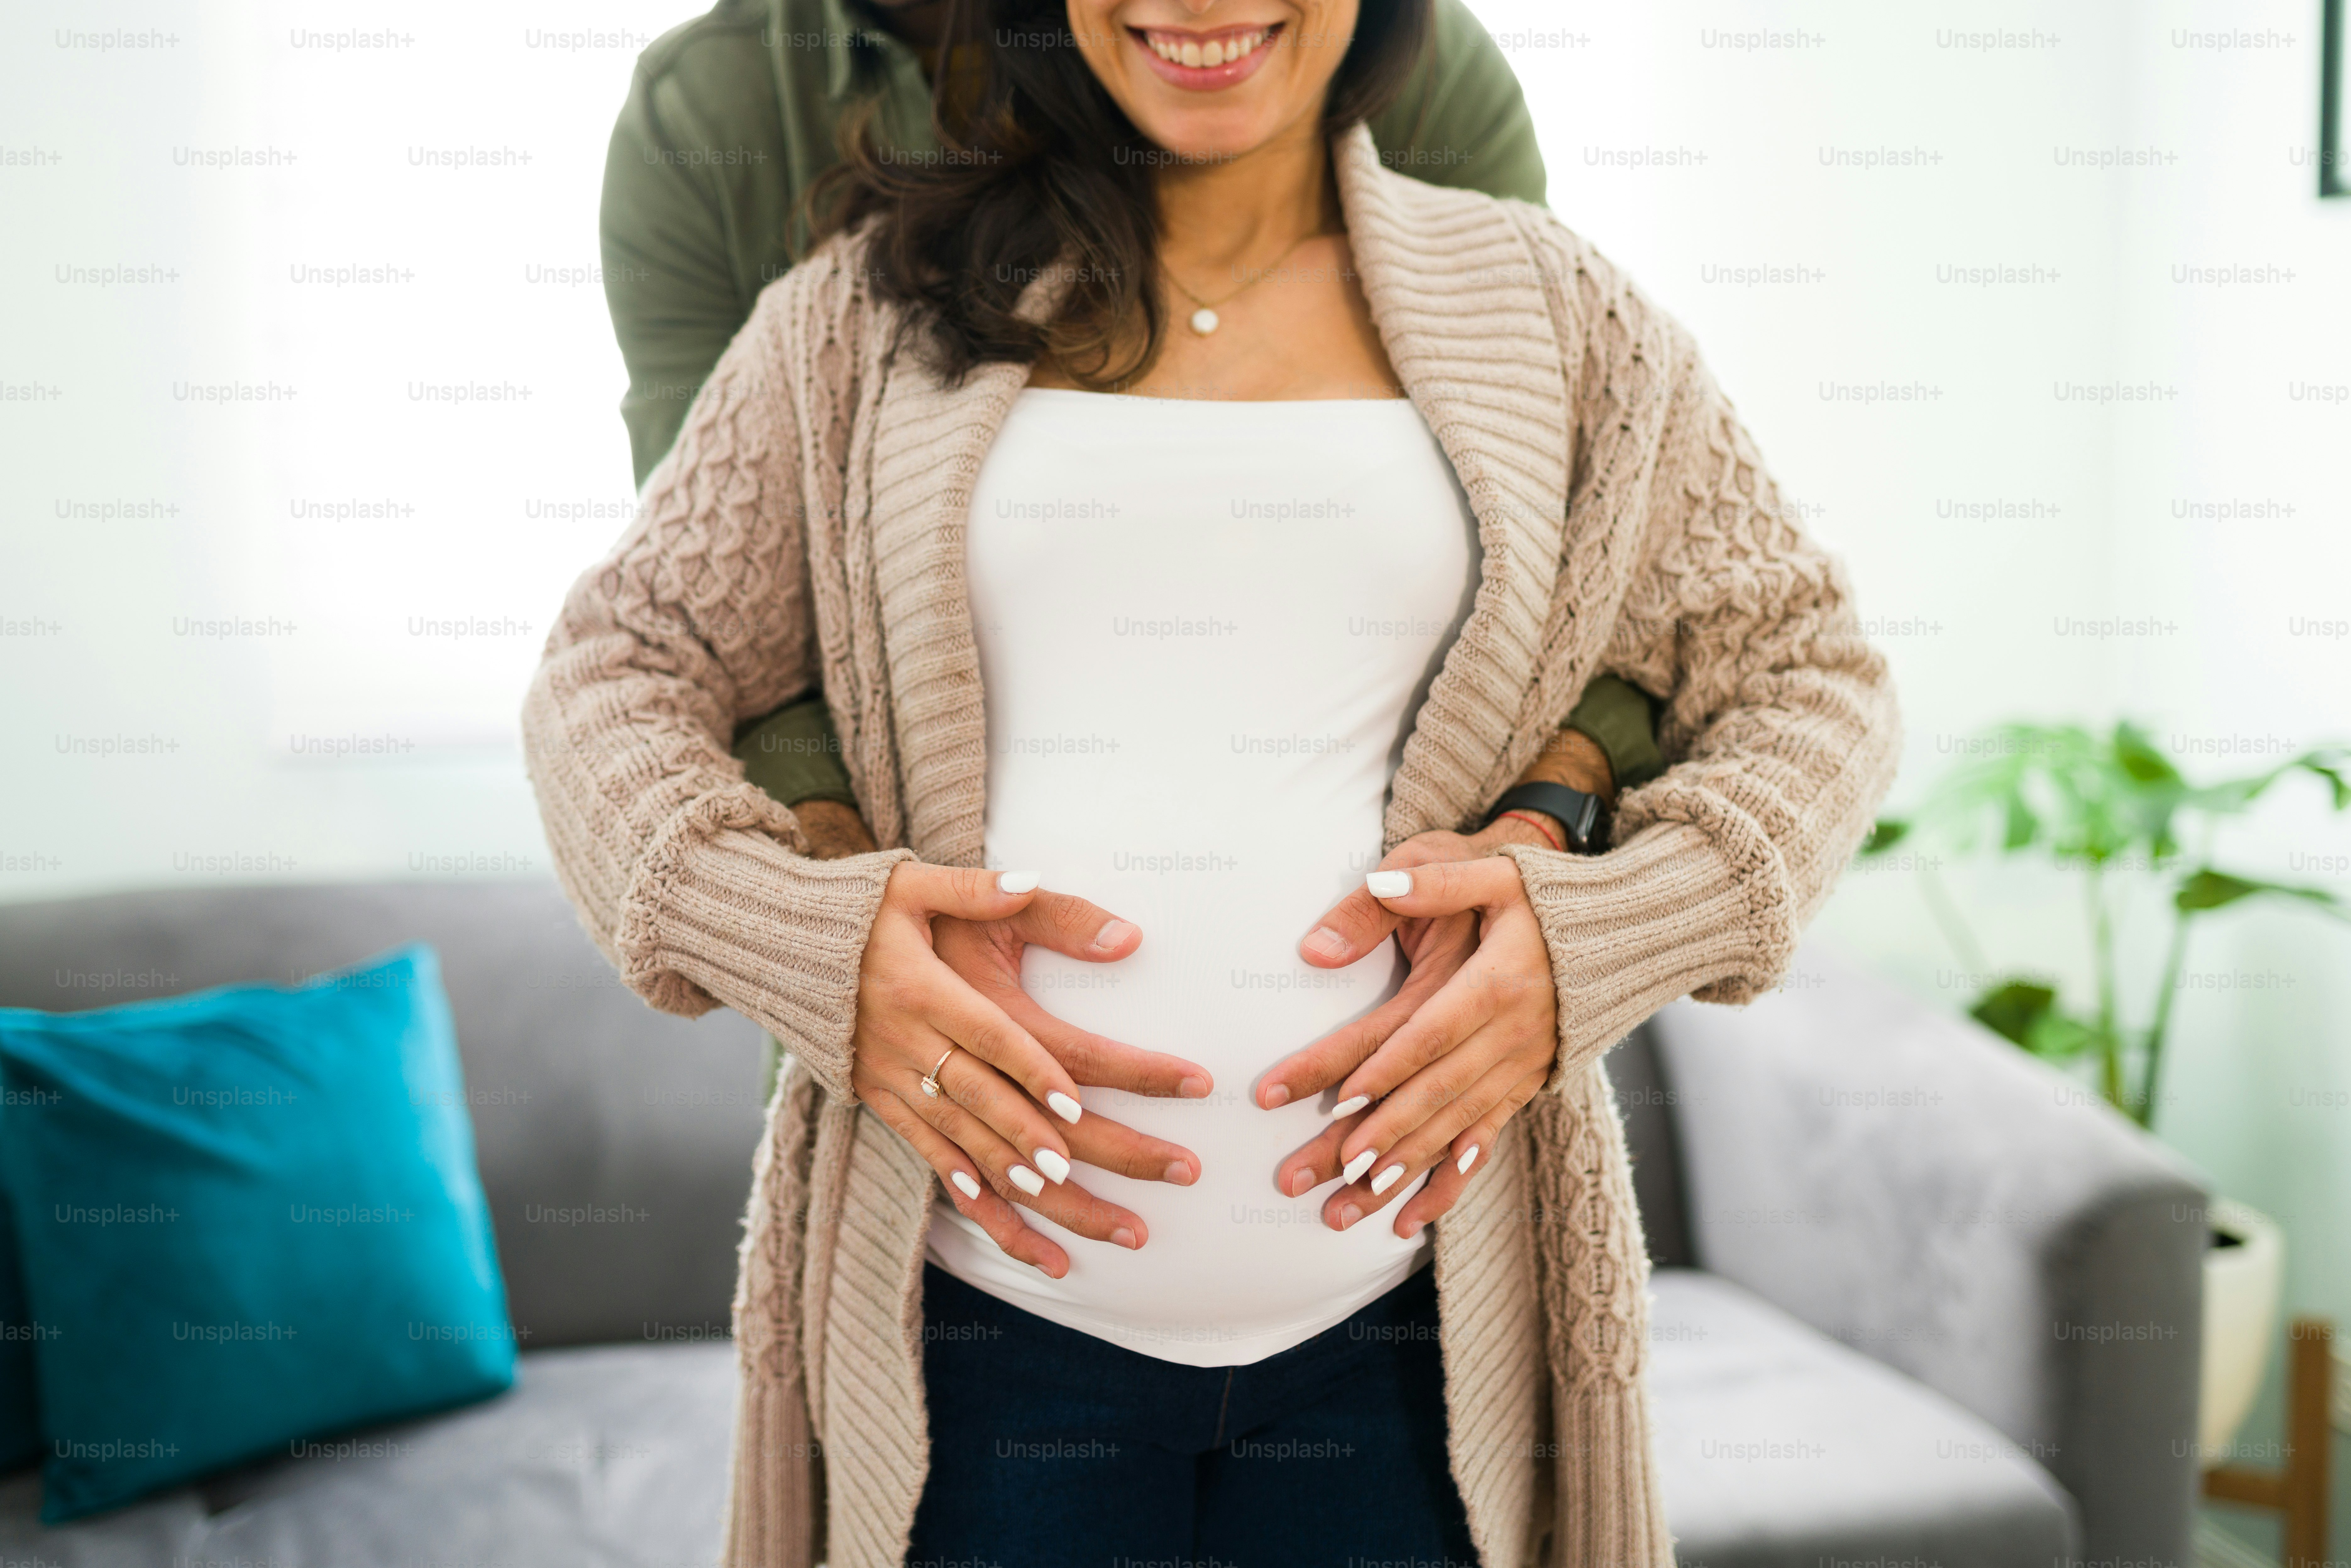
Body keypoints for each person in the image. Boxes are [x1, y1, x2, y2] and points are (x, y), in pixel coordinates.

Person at [525, 0, 1899, 1563]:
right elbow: (614, 675)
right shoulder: (865, 317)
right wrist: (813, 941)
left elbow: (1807, 674)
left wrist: (1592, 935)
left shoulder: (1550, 307)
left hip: (1414, 1349)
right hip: (975, 1345)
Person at [598, 0, 1664, 1190]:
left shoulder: (1375, 59)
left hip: (1428, 1234)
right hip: (925, 1166)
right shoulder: (727, 136)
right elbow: (695, 633)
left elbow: (1589, 552)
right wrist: (828, 928)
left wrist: (1552, 829)